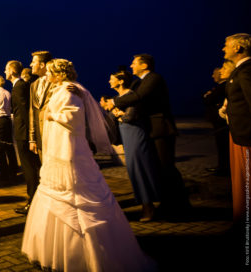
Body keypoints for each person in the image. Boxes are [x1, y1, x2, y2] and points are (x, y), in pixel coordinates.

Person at [21, 59, 154, 272]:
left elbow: (73, 117)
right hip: (58, 150)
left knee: (76, 196)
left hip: (68, 152)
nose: (47, 75)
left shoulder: (70, 90)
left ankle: (86, 254)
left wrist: (50, 114)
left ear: (58, 73)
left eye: (50, 72)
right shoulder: (63, 89)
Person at [120, 54, 190, 219]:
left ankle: (180, 205)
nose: (131, 65)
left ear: (144, 65)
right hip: (151, 129)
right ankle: (169, 203)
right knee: (158, 168)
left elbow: (138, 97)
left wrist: (115, 102)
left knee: (166, 167)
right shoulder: (140, 81)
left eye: (134, 63)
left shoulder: (153, 78)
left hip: (161, 129)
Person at [103, 69, 161, 222]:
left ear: (121, 81)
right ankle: (145, 204)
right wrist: (117, 114)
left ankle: (149, 206)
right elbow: (112, 116)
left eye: (112, 78)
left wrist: (118, 113)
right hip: (126, 135)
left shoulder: (131, 96)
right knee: (133, 170)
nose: (109, 81)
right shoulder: (118, 98)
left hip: (136, 134)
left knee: (140, 168)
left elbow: (130, 116)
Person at [222, 33, 251, 236]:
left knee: (248, 181)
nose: (223, 49)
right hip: (239, 134)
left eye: (226, 45)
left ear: (237, 48)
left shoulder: (247, 71)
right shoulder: (242, 70)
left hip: (247, 136)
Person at [6, 60, 40, 215]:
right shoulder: (19, 86)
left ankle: (32, 201)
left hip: (24, 133)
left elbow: (25, 112)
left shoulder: (19, 87)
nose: (4, 71)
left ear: (12, 71)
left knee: (29, 168)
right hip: (24, 132)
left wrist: (30, 135)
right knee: (32, 167)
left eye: (6, 69)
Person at [202, 64, 232, 176]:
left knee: (223, 145)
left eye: (216, 73)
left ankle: (224, 168)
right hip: (218, 121)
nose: (213, 76)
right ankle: (222, 166)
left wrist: (207, 96)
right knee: (221, 146)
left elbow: (209, 99)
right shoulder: (220, 86)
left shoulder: (224, 86)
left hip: (221, 122)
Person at [29, 50, 53, 160]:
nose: (30, 65)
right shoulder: (33, 85)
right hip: (39, 137)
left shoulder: (57, 81)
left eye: (33, 62)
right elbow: (32, 112)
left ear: (42, 65)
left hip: (54, 135)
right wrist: (32, 139)